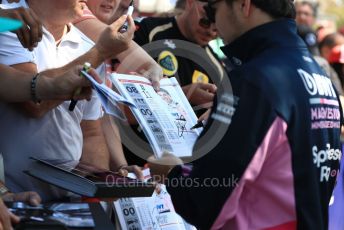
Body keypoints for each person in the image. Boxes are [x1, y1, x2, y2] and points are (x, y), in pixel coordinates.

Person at [148, 0, 342, 229]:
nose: (213, 23)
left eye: (213, 9)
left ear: (244, 5)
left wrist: (171, 172)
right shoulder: (318, 74)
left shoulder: (254, 80)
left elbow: (205, 203)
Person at [0, 0, 135, 201]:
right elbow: (33, 104)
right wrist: (99, 53)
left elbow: (90, 132)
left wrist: (99, 184)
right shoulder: (9, 23)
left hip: (69, 204)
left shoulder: (88, 47)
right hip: (15, 200)